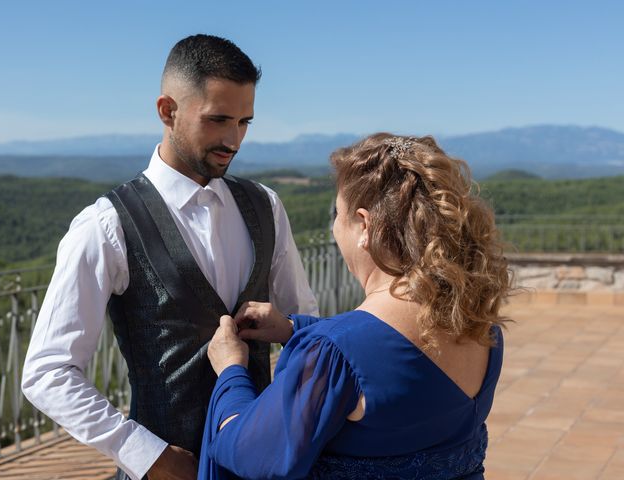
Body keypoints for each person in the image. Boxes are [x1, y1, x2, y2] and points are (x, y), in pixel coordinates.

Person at [21, 34, 318, 480]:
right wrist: (145, 454)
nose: (233, 140)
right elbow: (47, 372)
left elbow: (306, 322)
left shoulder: (266, 206)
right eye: (218, 120)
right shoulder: (106, 225)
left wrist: (290, 340)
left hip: (262, 464)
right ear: (167, 110)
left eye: (244, 122)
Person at [200, 133, 512, 479]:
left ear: (364, 225)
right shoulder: (479, 324)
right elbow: (395, 356)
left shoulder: (334, 353)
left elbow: (253, 453)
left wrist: (230, 370)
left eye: (339, 213)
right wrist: (293, 329)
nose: (335, 225)